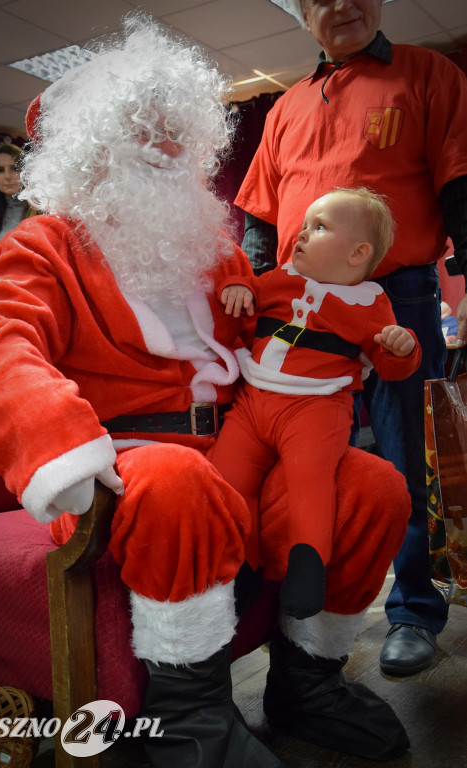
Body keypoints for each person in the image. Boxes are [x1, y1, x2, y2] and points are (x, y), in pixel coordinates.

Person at [0, 14, 411, 766]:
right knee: (176, 479)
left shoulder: (214, 250)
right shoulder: (43, 244)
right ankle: (190, 719)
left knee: (372, 485)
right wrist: (60, 447)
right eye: (145, 128)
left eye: (178, 130)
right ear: (92, 148)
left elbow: (283, 328)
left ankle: (309, 682)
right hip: (127, 461)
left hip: (239, 446)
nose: (168, 146)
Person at [235, 0, 467, 678]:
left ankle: (414, 609)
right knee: (288, 447)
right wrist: (248, 298)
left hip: (395, 296)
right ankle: (290, 600)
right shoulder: (284, 107)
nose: (341, 4)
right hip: (294, 305)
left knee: (402, 458)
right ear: (301, 12)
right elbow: (258, 214)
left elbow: (459, 183)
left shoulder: (428, 73)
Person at [211, 187, 421, 621]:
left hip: (316, 409)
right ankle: (240, 570)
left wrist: (401, 348)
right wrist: (235, 287)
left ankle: (308, 568)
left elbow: (390, 366)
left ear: (357, 254)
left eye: (319, 227)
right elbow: (244, 307)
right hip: (253, 402)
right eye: (303, 225)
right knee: (227, 480)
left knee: (311, 480)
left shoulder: (371, 303)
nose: (301, 235)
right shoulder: (276, 280)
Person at [0, 142, 35, 256]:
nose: (7, 176)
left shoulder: (43, 208)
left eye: (15, 169)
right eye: (0, 170)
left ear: (25, 172)